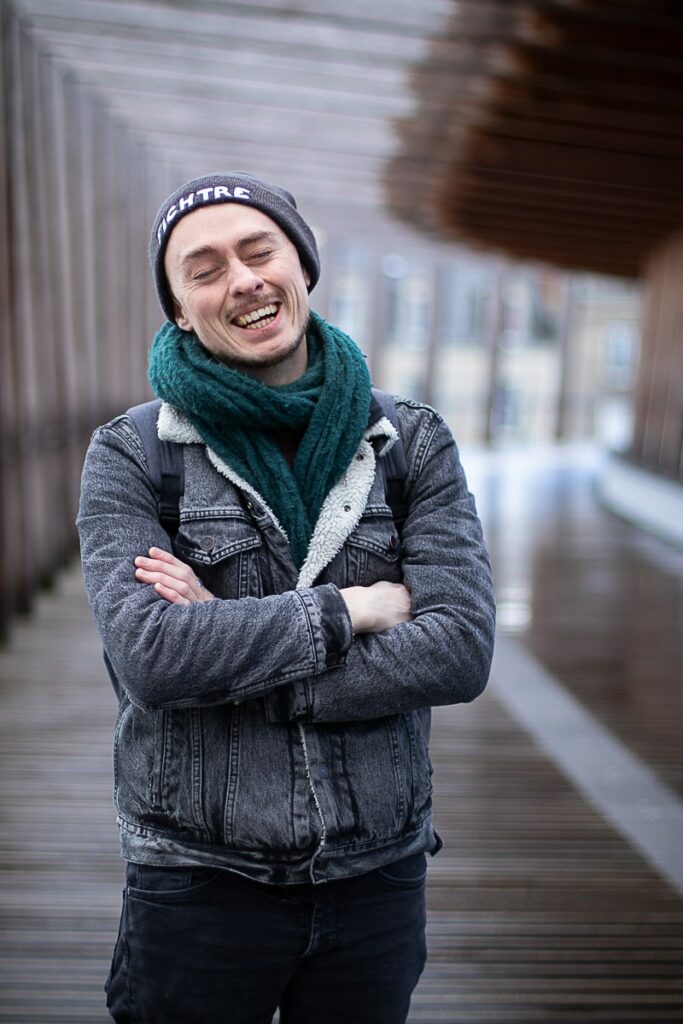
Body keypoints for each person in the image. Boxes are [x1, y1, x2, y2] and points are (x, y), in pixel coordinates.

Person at [77, 172, 495, 1024]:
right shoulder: (130, 455)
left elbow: (458, 649)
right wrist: (351, 613)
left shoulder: (409, 442)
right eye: (203, 270)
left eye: (259, 251)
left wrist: (230, 655)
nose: (242, 280)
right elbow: (152, 658)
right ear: (181, 312)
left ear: (302, 265)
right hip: (196, 881)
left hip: (377, 876)